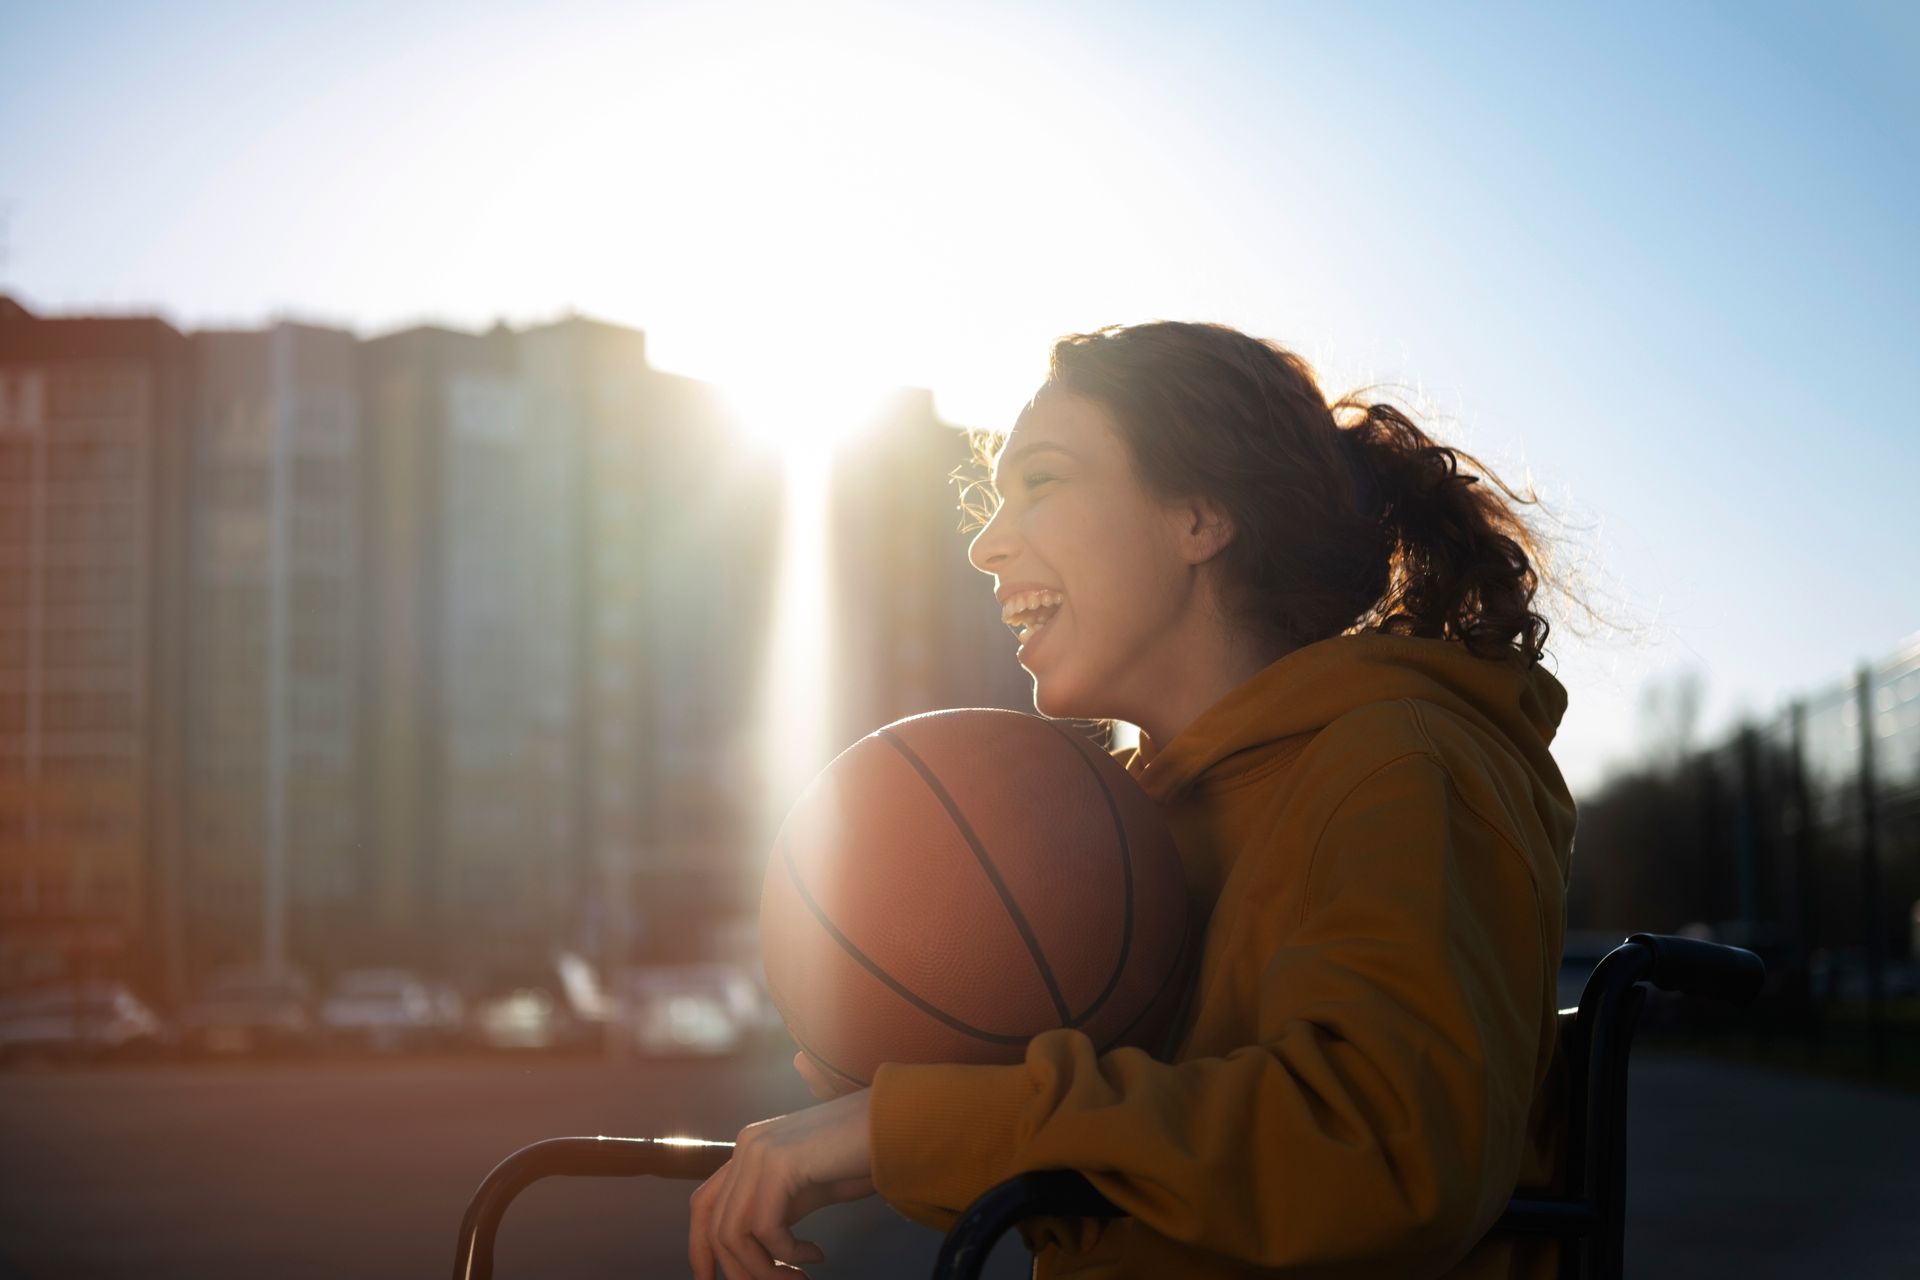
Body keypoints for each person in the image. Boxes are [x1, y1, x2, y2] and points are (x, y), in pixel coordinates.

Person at [689, 320, 1578, 1280]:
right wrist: (901, 1067)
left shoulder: (1400, 764)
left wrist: (907, 1122)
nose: (987, 545)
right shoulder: (1133, 832)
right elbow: (1148, 1176)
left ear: (1200, 515)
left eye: (1042, 483)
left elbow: (1383, 1159)